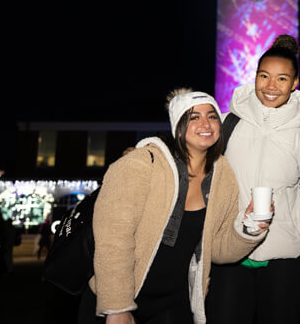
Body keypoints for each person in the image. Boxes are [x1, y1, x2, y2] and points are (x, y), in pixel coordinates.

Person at [78, 89, 271, 324]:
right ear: (177, 125)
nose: (206, 123)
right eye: (193, 117)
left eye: (212, 116)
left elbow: (218, 249)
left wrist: (249, 228)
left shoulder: (224, 175)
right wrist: (117, 307)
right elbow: (113, 240)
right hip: (120, 299)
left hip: (174, 303)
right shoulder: (140, 164)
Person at [205, 35, 300, 324]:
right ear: (254, 77)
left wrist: (299, 233)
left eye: (282, 79)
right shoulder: (227, 123)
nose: (271, 86)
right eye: (264, 76)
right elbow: (188, 152)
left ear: (295, 84)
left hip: (286, 258)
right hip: (230, 250)